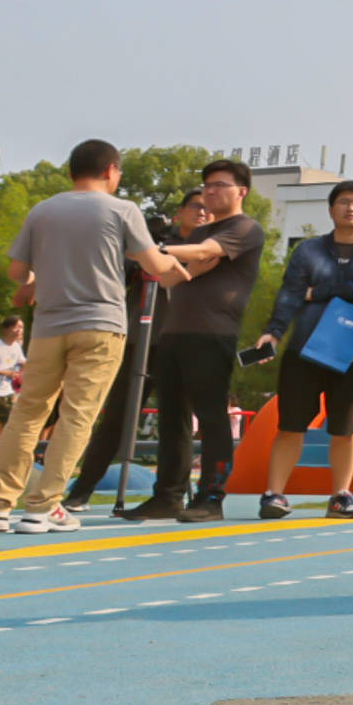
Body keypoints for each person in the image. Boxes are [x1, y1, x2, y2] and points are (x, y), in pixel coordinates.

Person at [0, 140, 190, 535]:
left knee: (27, 415)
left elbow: (17, 271)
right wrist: (176, 263)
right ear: (111, 170)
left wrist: (32, 283)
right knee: (78, 416)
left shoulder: (43, 210)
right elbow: (154, 264)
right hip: (100, 325)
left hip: (47, 327)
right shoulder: (122, 209)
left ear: (73, 170)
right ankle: (43, 507)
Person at [130, 160, 267, 523]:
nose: (210, 192)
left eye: (220, 185)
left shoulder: (245, 228)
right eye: (207, 186)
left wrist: (161, 251)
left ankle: (210, 497)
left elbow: (205, 253)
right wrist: (156, 254)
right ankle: (168, 496)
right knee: (172, 419)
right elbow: (170, 281)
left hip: (212, 334)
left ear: (242, 191)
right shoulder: (195, 237)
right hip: (173, 332)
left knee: (211, 417)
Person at [253, 181, 353, 521]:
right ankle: (274, 495)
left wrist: (315, 293)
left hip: (351, 347)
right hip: (303, 346)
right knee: (291, 425)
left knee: (345, 428)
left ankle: (340, 497)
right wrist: (273, 333)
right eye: (344, 202)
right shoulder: (308, 250)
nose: (351, 208)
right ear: (331, 210)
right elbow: (290, 293)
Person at [65, 189, 207, 512]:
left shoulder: (213, 245)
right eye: (196, 206)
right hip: (140, 340)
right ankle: (81, 491)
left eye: (208, 209)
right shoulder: (150, 239)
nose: (202, 213)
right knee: (118, 416)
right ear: (180, 211)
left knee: (179, 422)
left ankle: (172, 493)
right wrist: (146, 250)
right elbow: (122, 275)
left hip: (185, 344)